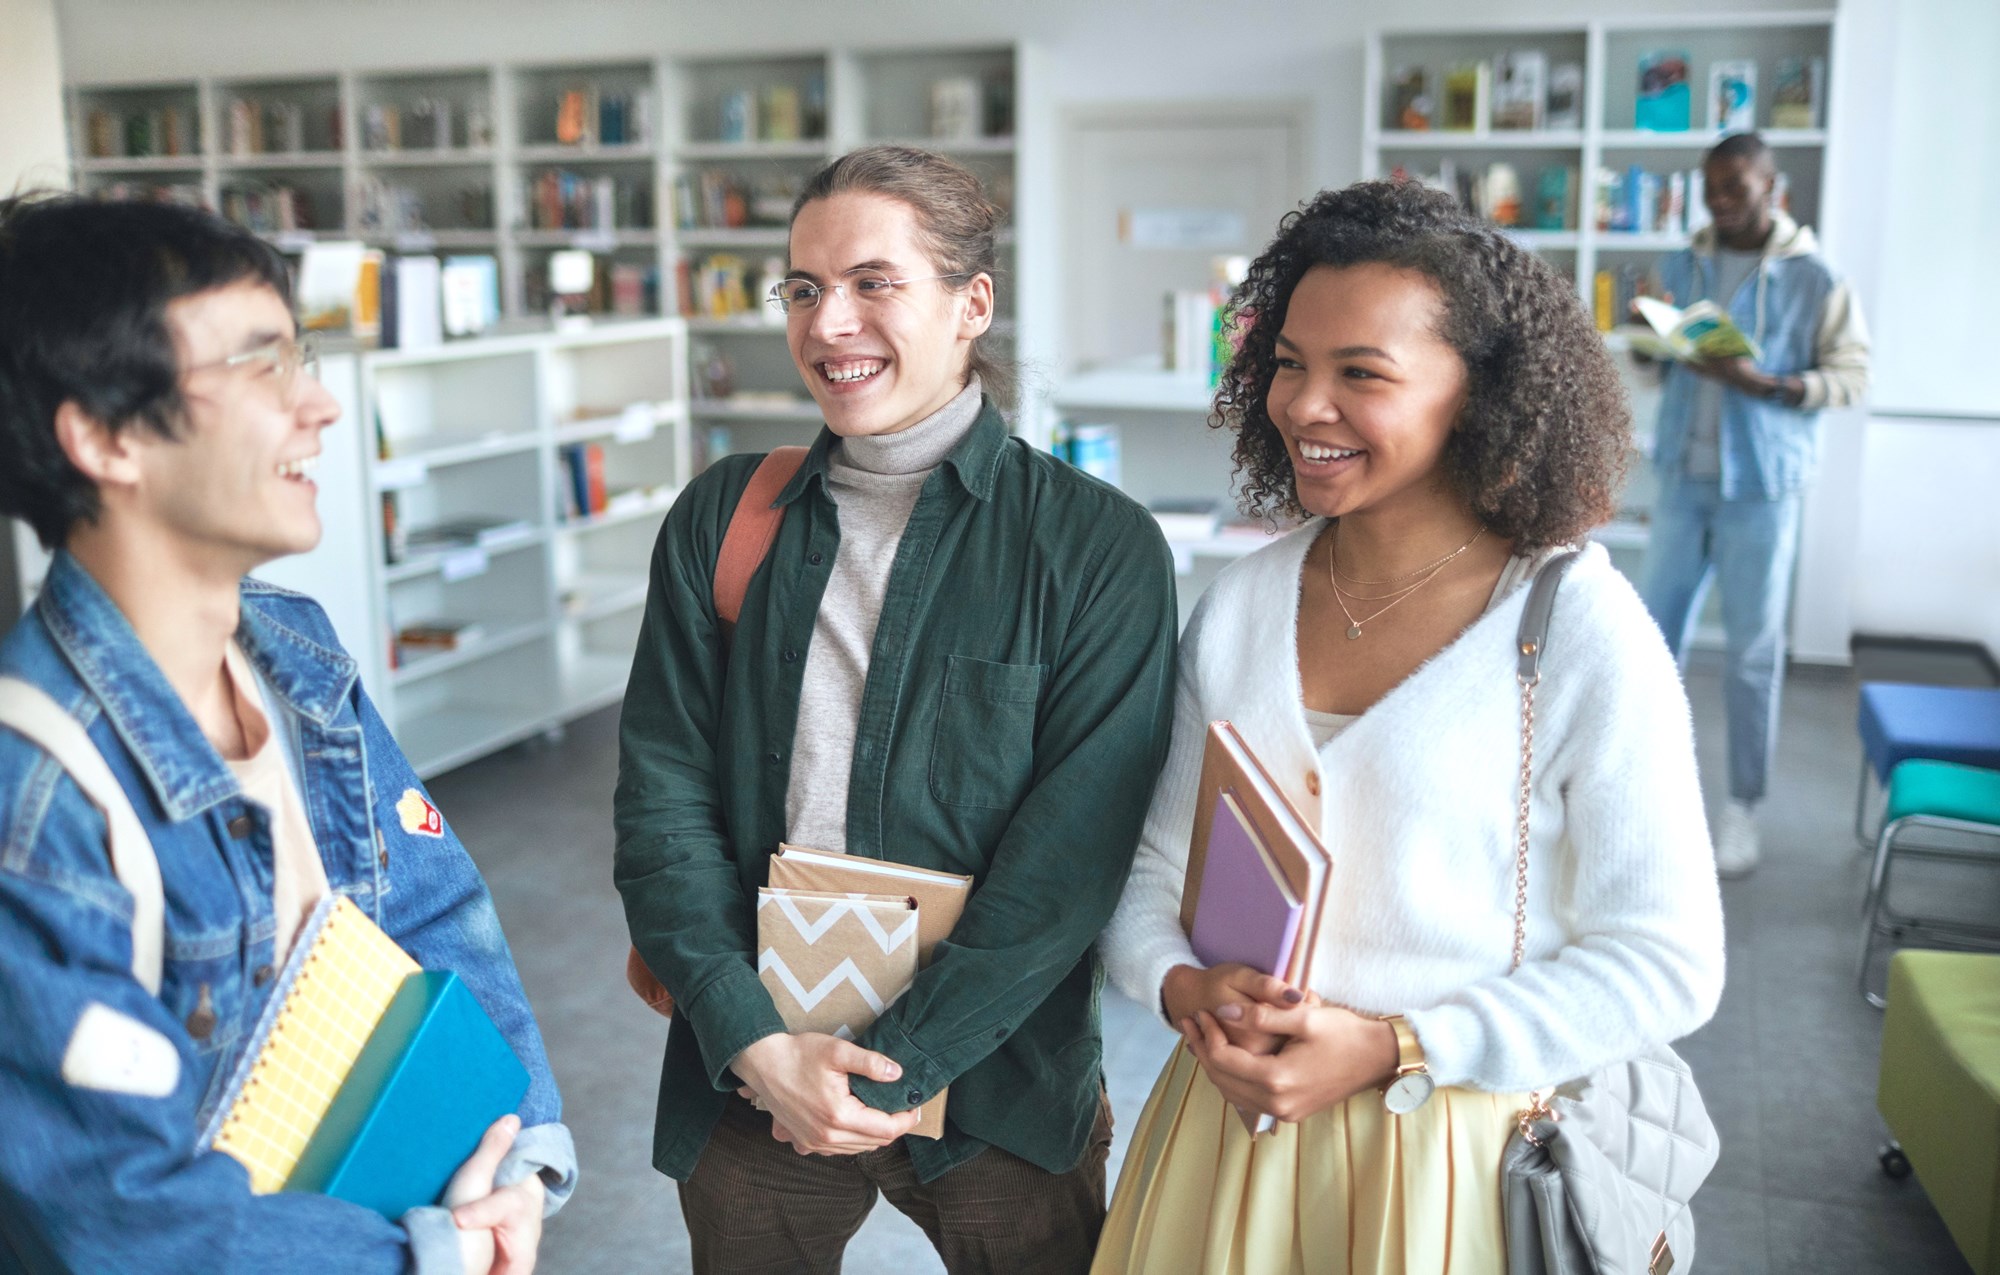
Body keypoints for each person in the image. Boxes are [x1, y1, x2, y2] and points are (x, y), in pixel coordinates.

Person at [1091, 180, 1726, 1274]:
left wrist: (1397, 1045)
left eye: (1360, 375)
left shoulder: (1574, 625)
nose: (1301, 405)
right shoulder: (1243, 603)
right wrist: (1180, 987)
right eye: (1287, 362)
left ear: (1475, 397)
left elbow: (1668, 962)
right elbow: (1153, 865)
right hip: (1225, 1140)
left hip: (1451, 1154)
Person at [613, 145, 1177, 1274]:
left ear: (971, 304)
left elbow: (1065, 869)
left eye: (874, 283)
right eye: (805, 288)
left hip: (995, 1085)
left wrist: (895, 1066)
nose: (830, 326)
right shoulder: (725, 517)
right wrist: (757, 1044)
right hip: (754, 1071)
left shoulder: (1093, 548)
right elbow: (660, 798)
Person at [0, 194, 574, 1274]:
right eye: (262, 366)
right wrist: (426, 1257)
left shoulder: (293, 652)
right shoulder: (30, 795)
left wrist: (512, 1162)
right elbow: (130, 1215)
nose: (318, 407)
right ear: (106, 435)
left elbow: (436, 913)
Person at [1638, 131, 1870, 877]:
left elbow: (1850, 376)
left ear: (1775, 187)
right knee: (1650, 647)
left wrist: (1767, 384)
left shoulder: (1817, 275)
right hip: (1682, 478)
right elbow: (1660, 368)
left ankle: (1743, 808)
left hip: (1763, 490)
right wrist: (1651, 343)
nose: (1720, 201)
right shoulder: (1687, 258)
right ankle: (1642, 795)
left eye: (1736, 186)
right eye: (1711, 187)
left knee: (1750, 657)